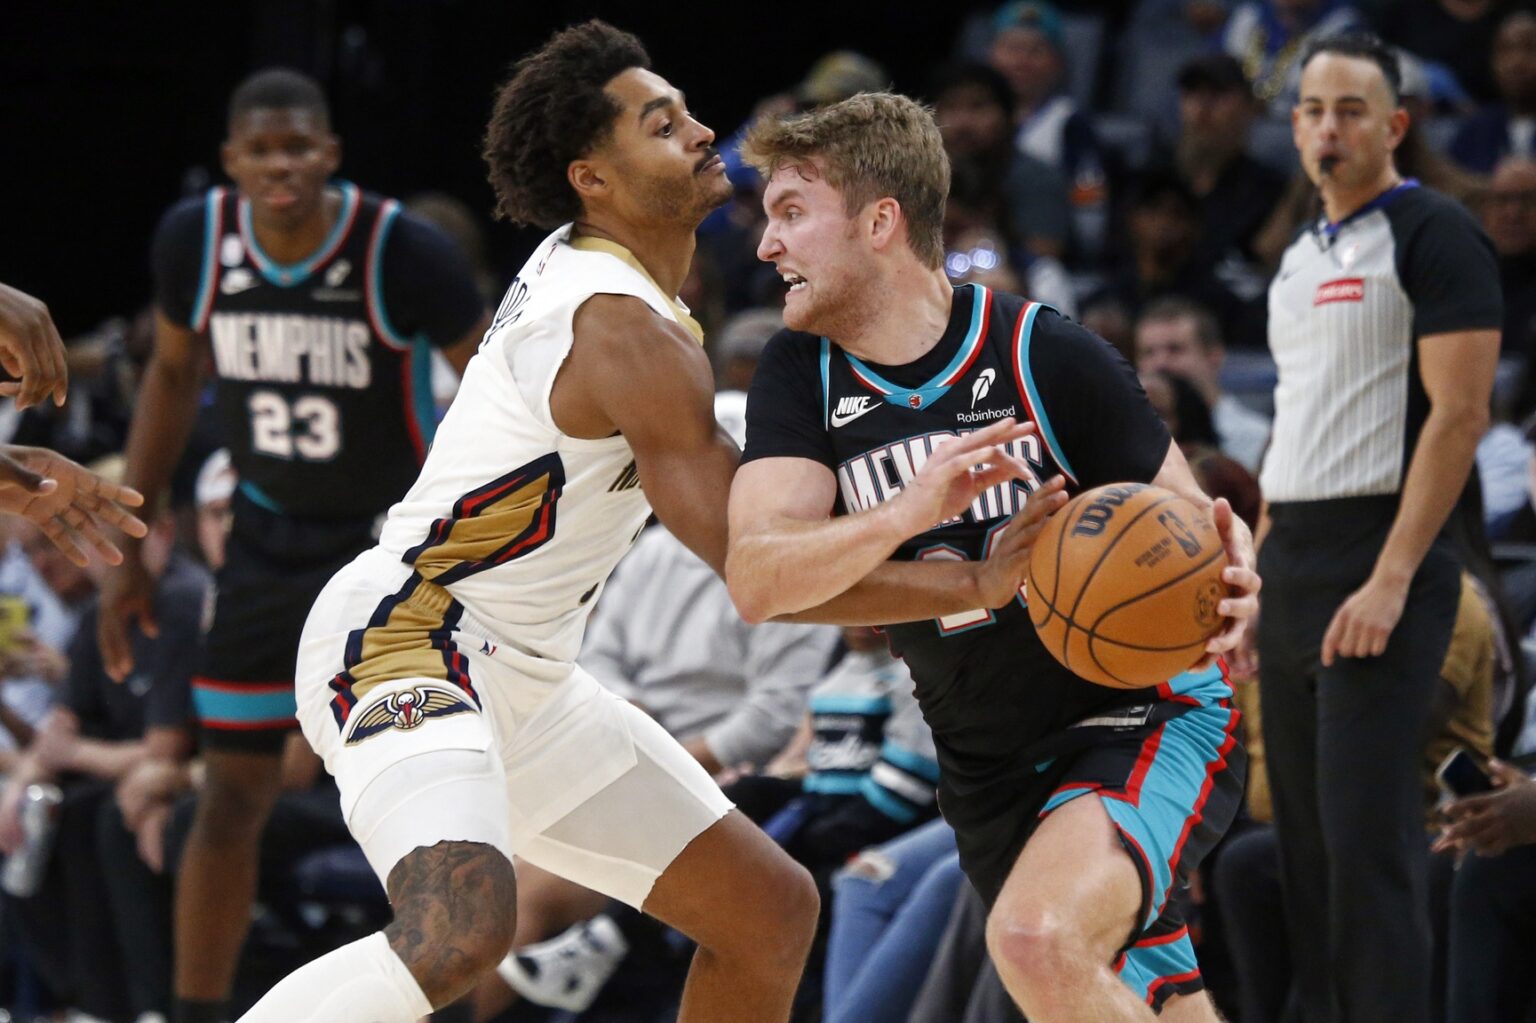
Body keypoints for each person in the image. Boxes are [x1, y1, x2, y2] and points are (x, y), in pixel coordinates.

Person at [234, 22, 819, 1023]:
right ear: (592, 176)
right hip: (407, 642)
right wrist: (963, 571)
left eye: (684, 112)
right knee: (456, 930)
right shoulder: (617, 323)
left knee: (766, 911)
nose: (701, 131)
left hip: (528, 675)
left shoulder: (610, 275)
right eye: (662, 123)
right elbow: (750, 559)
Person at [728, 91, 1259, 1021]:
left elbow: (1192, 525)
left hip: (1141, 712)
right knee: (1151, 995)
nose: (766, 245)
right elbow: (761, 578)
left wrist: (1235, 574)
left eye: (791, 214)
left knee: (1036, 940)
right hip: (984, 758)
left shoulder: (1039, 352)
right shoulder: (797, 372)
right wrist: (913, 516)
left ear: (880, 222)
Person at [96, 68, 490, 1023]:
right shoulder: (196, 241)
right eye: (261, 151)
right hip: (265, 544)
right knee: (226, 800)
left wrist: (479, 539)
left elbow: (493, 381)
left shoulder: (400, 247)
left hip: (383, 552)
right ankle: (197, 1012)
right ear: (231, 162)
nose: (281, 166)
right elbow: (173, 374)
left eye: (298, 148)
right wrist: (132, 537)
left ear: (330, 154)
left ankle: (450, 1004)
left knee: (422, 808)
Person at [1251, 32, 1503, 1023]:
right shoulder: (1295, 260)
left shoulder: (1434, 230)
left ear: (1394, 125)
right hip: (1295, 561)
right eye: (1312, 108)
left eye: (1350, 109)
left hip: (1383, 555)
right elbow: (1293, 422)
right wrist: (1257, 578)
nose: (1327, 126)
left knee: (1370, 854)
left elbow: (1462, 415)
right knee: (1304, 858)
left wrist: (1394, 579)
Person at [1134, 296, 1271, 472]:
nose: (1160, 363)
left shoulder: (1256, 437)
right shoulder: (1127, 435)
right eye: (1148, 353)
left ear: (1214, 356)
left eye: (1175, 349)